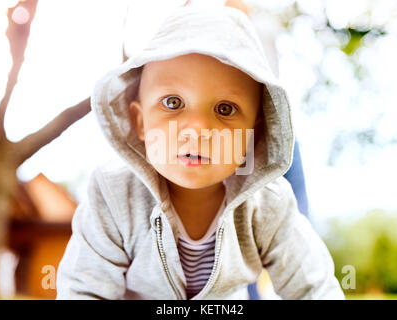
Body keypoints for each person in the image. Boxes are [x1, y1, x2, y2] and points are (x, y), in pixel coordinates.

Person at [56, 3, 344, 300]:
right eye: (172, 103)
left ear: (253, 133)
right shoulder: (114, 195)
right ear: (140, 122)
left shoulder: (268, 205)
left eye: (225, 109)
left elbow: (314, 288)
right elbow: (84, 289)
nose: (196, 130)